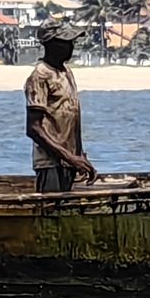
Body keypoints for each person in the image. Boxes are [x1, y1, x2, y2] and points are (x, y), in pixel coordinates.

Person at [25, 19, 98, 193]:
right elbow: (34, 128)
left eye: (71, 42)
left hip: (69, 161)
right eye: (65, 43)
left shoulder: (66, 73)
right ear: (51, 45)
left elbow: (71, 119)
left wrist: (80, 157)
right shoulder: (40, 76)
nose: (70, 47)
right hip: (50, 163)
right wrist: (69, 157)